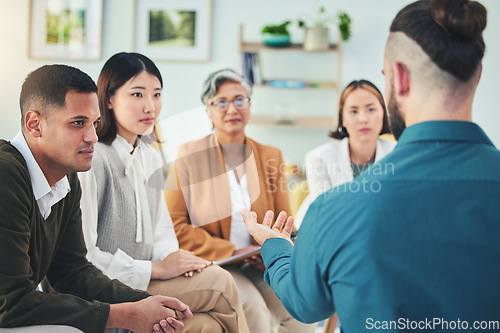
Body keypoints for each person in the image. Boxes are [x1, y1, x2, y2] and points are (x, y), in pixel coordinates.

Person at [241, 0, 500, 332]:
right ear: (478, 74)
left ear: (400, 79)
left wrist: (274, 244)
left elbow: (304, 303)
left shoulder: (335, 208)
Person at [0, 64, 192, 333]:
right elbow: (10, 305)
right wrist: (122, 315)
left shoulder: (65, 177)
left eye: (95, 123)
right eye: (78, 123)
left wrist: (146, 304)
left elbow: (73, 271)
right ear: (35, 124)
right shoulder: (5, 174)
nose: (92, 137)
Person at [78, 52, 249, 333]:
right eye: (137, 95)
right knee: (221, 283)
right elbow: (85, 257)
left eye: (156, 95)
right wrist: (156, 270)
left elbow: (162, 235)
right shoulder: (94, 160)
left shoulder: (151, 157)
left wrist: (177, 262)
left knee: (209, 325)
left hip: (144, 279)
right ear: (108, 99)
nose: (150, 107)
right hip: (108, 291)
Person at [164, 69, 316, 333]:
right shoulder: (189, 154)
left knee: (301, 310)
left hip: (260, 262)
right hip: (217, 262)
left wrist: (271, 249)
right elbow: (174, 225)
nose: (231, 108)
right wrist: (233, 251)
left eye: (239, 100)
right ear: (208, 111)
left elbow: (286, 225)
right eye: (221, 102)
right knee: (253, 308)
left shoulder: (271, 155)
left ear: (249, 106)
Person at [295, 79, 396, 226]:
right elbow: (327, 215)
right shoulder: (319, 158)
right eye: (353, 111)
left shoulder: (398, 153)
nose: (363, 119)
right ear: (343, 119)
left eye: (371, 109)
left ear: (383, 113)